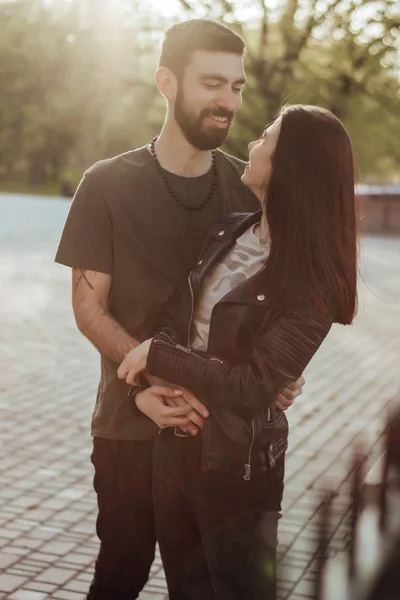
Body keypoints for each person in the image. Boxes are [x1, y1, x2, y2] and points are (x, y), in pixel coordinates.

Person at [55, 19, 304, 600]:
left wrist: (283, 372)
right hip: (126, 424)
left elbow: (276, 301)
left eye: (237, 88)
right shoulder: (107, 184)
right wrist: (150, 382)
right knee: (120, 574)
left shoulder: (248, 190)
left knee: (203, 589)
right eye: (213, 83)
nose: (228, 101)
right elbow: (89, 307)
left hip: (218, 441)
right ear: (167, 81)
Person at [118, 104, 359, 600]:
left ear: (291, 162)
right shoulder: (227, 231)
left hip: (236, 466)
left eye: (267, 136)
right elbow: (175, 318)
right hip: (176, 448)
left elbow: (252, 387)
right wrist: (158, 382)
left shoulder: (316, 281)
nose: (252, 143)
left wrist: (159, 358)